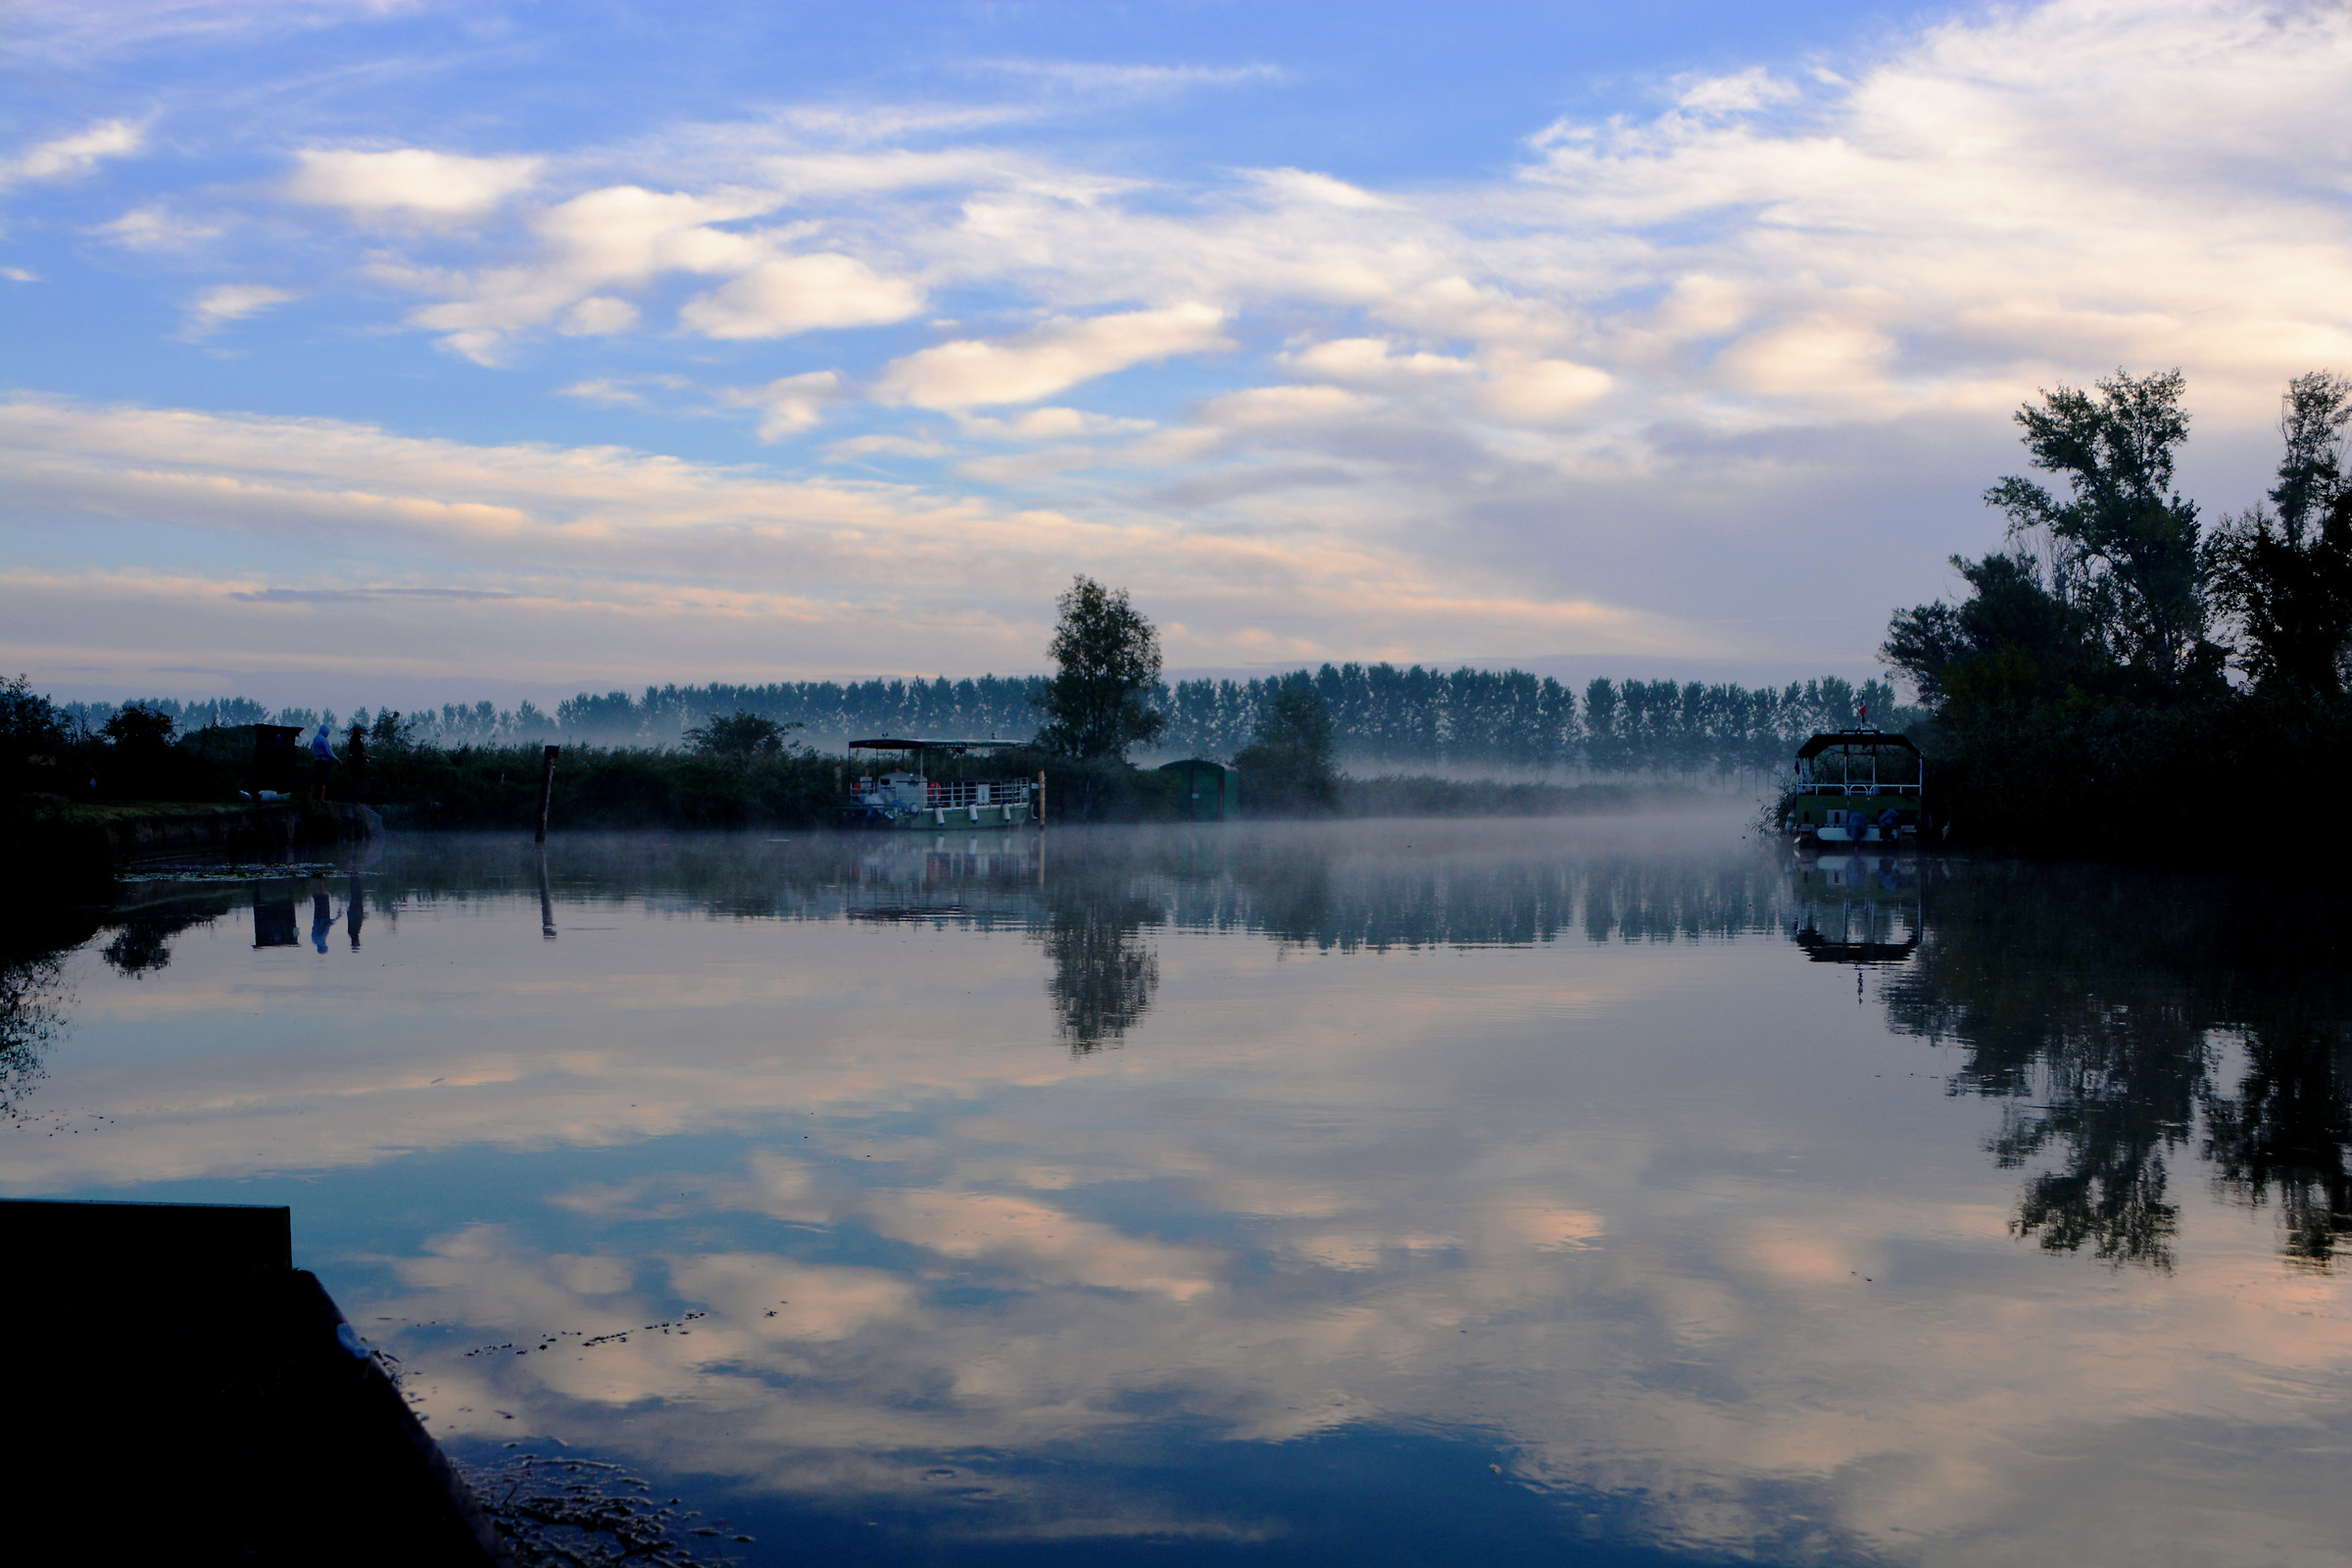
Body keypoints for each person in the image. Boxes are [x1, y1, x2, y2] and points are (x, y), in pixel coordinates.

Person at [311, 723, 338, 802]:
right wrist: (337, 760)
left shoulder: (315, 739)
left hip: (317, 761)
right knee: (323, 780)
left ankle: (310, 798)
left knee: (316, 779)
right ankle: (321, 798)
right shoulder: (324, 740)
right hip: (325, 762)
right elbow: (329, 752)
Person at [345, 723, 368, 802]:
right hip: (357, 764)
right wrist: (364, 756)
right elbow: (356, 753)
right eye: (359, 730)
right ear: (357, 730)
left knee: (357, 780)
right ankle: (356, 799)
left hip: (356, 763)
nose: (360, 731)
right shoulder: (355, 740)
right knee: (357, 780)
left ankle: (356, 798)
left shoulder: (355, 739)